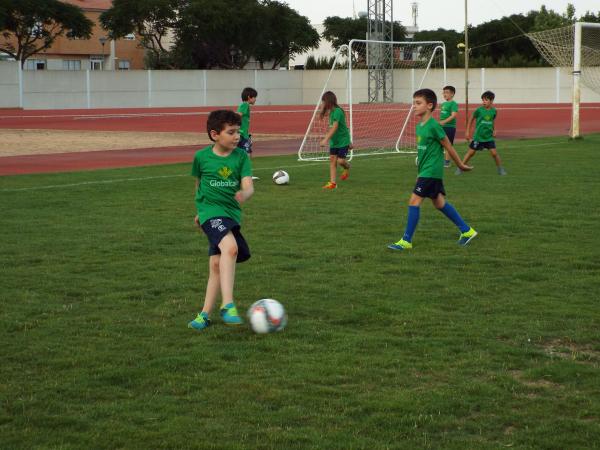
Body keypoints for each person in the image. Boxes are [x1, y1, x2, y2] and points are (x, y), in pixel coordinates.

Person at [188, 110, 254, 331]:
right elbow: (199, 186)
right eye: (231, 132)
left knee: (216, 264)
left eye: (239, 132)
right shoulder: (201, 157)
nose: (237, 136)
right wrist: (201, 212)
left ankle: (204, 315)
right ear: (215, 134)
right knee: (231, 248)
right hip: (210, 212)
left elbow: (248, 184)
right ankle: (227, 304)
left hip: (231, 215)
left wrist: (245, 193)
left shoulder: (242, 157)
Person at [388, 88, 477, 251]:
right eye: (414, 102)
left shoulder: (434, 126)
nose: (414, 106)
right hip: (426, 172)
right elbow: (423, 154)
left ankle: (406, 241)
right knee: (439, 203)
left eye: (418, 103)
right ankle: (467, 230)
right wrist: (419, 174)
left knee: (414, 202)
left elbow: (448, 146)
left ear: (429, 105)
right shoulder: (420, 126)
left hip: (432, 171)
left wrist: (460, 164)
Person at [456, 90, 507, 176]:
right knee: (471, 153)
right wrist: (467, 131)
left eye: (486, 100)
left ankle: (500, 169)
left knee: (494, 153)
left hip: (488, 137)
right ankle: (460, 167)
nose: (484, 102)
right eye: (483, 100)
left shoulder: (494, 111)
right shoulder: (479, 110)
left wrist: (494, 130)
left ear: (491, 101)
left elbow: (492, 121)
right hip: (478, 137)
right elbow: (471, 119)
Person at [319, 91, 352, 189]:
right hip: (334, 141)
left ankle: (347, 166)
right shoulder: (331, 112)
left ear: (329, 101)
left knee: (341, 161)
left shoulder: (338, 111)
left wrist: (325, 139)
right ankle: (333, 183)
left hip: (342, 141)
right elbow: (323, 115)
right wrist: (322, 108)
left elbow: (335, 127)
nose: (323, 103)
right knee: (332, 160)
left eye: (324, 101)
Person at [439, 85, 459, 168]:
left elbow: (453, 115)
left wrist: (444, 122)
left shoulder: (453, 104)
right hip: (442, 127)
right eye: (443, 92)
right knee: (439, 144)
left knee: (448, 145)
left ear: (452, 94)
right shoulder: (443, 104)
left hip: (449, 127)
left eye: (446, 92)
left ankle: (447, 162)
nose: (444, 94)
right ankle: (438, 160)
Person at [236, 87, 257, 159]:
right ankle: (247, 165)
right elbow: (238, 115)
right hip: (242, 134)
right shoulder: (245, 105)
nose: (255, 99)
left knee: (239, 151)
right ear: (249, 97)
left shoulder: (244, 105)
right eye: (254, 97)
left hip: (242, 133)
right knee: (248, 151)